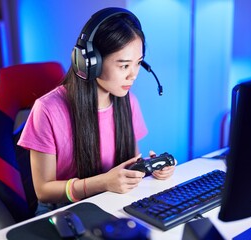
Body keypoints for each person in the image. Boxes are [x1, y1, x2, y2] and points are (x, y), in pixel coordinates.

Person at [18, 7, 176, 215]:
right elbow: (43, 191)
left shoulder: (129, 103)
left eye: (138, 64)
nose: (133, 75)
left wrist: (148, 169)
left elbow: (129, 164)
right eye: (124, 66)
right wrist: (102, 183)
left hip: (111, 203)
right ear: (91, 62)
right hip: (62, 214)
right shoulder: (48, 109)